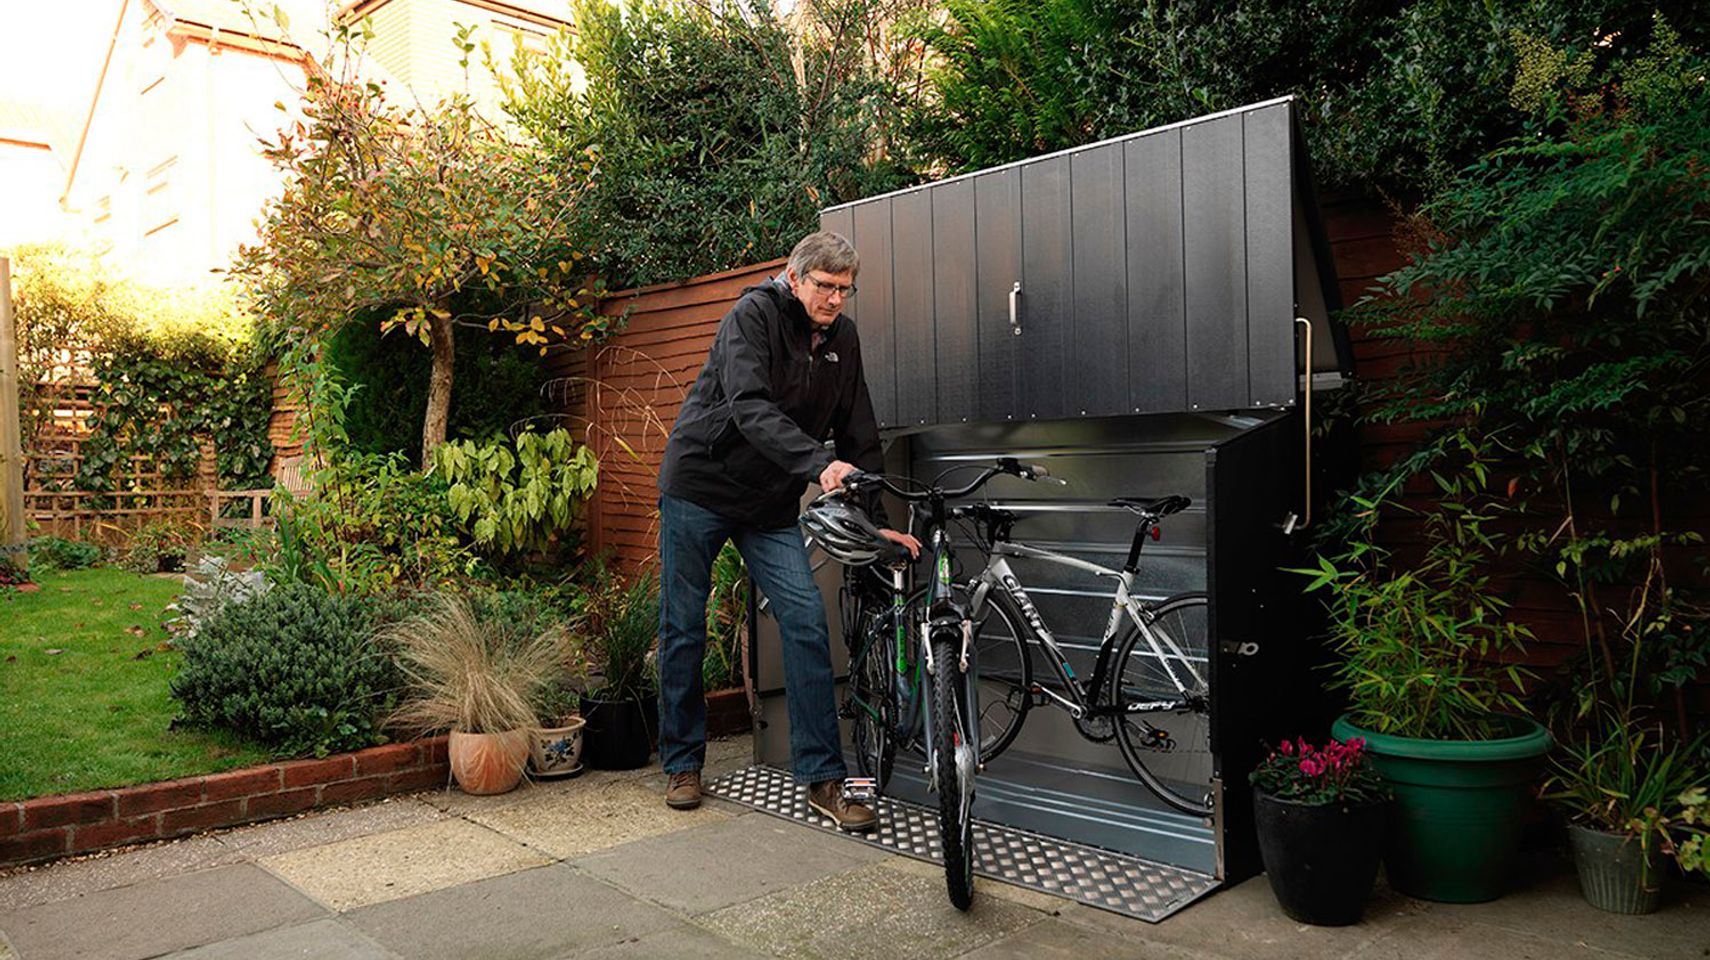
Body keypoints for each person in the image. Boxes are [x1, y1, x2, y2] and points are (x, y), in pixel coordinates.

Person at [654, 230, 919, 830]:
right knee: (683, 627)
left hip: (769, 502)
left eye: (844, 291)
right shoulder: (752, 316)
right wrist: (816, 465)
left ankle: (823, 779)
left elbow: (860, 433)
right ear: (794, 278)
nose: (833, 300)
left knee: (804, 621)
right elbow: (749, 406)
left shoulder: (841, 338)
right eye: (824, 287)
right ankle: (682, 762)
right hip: (701, 486)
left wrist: (877, 528)